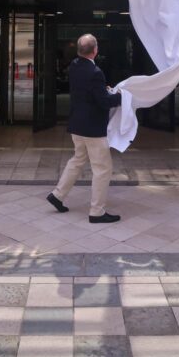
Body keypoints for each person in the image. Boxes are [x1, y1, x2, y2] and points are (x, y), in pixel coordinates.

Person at [47, 33, 123, 223]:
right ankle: (97, 212)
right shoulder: (96, 72)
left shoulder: (74, 66)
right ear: (95, 50)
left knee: (78, 160)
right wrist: (122, 96)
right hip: (92, 129)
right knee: (102, 168)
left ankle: (57, 195)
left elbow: (88, 92)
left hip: (77, 125)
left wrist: (102, 90)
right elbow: (104, 103)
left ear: (80, 50)